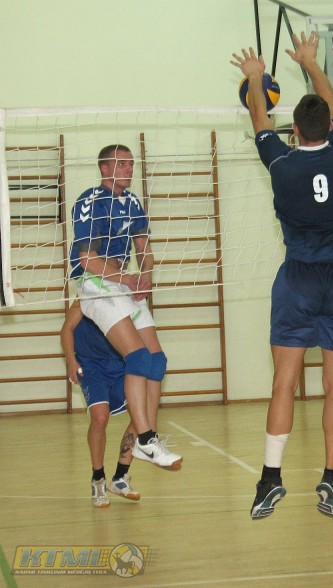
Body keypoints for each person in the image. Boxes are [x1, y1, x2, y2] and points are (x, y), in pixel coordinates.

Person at [231, 32, 333, 519]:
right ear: (329, 126)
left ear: (295, 132)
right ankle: (332, 479)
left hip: (298, 280)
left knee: (284, 382)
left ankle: (271, 479)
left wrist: (255, 78)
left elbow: (258, 118)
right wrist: (311, 63)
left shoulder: (282, 164)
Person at [69, 144, 182, 470]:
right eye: (121, 164)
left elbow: (144, 250)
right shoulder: (90, 202)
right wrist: (126, 278)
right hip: (95, 283)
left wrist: (145, 275)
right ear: (104, 169)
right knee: (138, 358)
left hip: (121, 282)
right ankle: (145, 439)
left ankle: (146, 441)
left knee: (157, 360)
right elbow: (87, 260)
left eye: (131, 164)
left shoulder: (132, 202)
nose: (129, 169)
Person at [61, 300, 141, 508]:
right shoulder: (85, 297)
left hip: (120, 363)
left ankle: (120, 476)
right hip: (91, 365)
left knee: (141, 414)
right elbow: (67, 329)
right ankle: (98, 479)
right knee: (100, 417)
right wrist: (71, 360)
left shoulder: (121, 296)